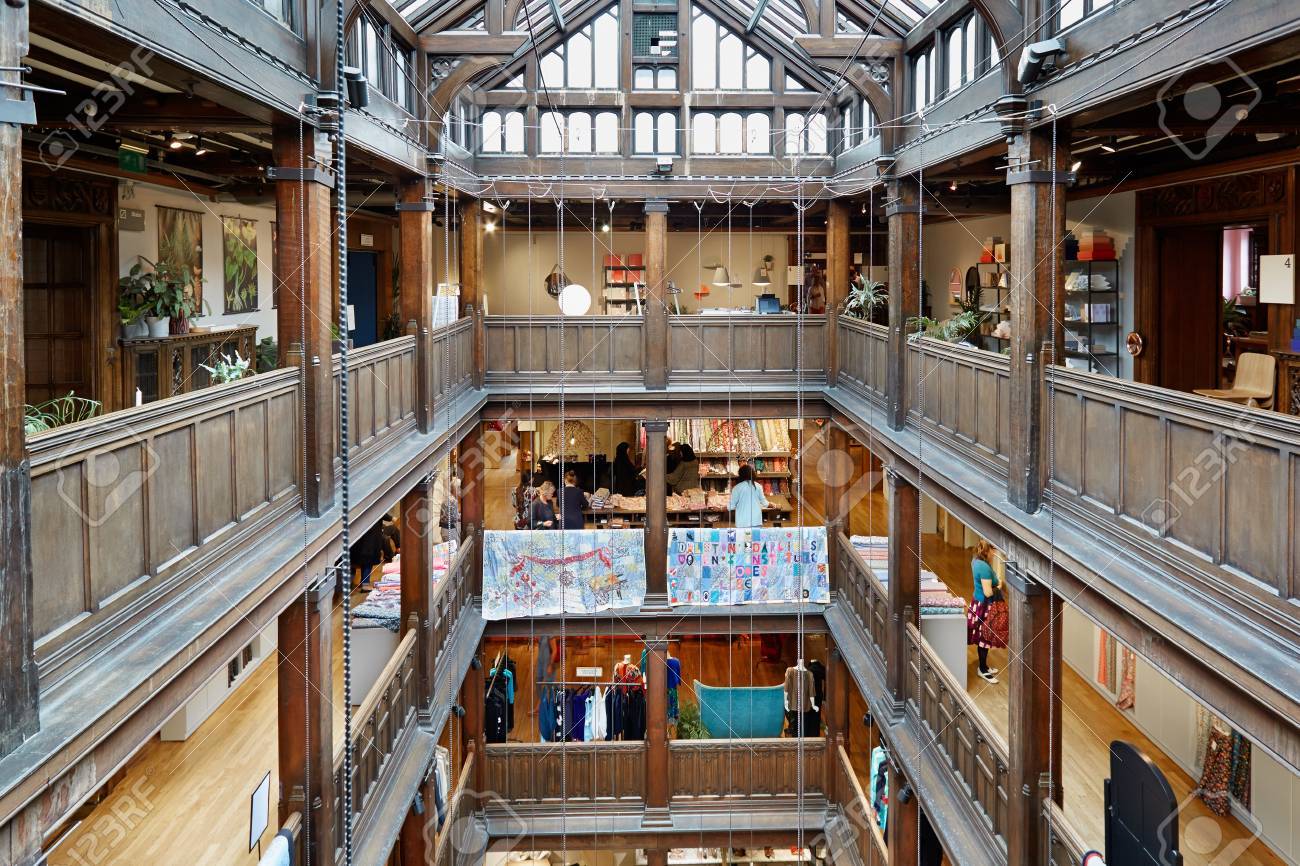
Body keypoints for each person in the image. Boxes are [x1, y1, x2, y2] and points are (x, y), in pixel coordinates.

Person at [966, 540, 1008, 683]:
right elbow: (988, 592)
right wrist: (1000, 584)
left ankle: (984, 666)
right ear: (989, 550)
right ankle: (982, 670)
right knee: (984, 638)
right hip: (985, 605)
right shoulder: (983, 567)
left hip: (978, 603)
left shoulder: (976, 560)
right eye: (994, 550)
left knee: (983, 637)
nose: (995, 553)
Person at [728, 463, 769, 528]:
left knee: (743, 538)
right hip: (756, 521)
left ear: (740, 475)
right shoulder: (758, 486)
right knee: (755, 538)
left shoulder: (737, 488)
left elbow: (730, 506)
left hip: (742, 523)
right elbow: (765, 503)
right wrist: (774, 505)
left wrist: (720, 508)